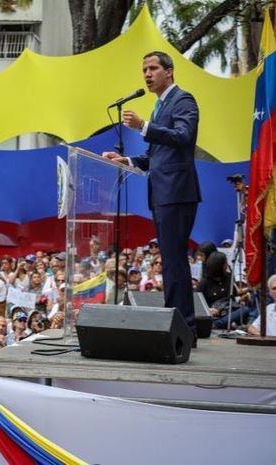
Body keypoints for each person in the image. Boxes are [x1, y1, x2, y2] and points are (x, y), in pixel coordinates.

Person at [104, 50, 201, 335]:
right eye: (144, 69)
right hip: (162, 193)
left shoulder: (183, 100)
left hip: (177, 192)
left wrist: (144, 126)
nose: (147, 74)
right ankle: (181, 323)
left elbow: (184, 137)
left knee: (174, 261)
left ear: (169, 71)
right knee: (170, 261)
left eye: (153, 68)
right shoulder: (161, 105)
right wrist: (129, 161)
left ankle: (184, 327)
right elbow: (156, 154)